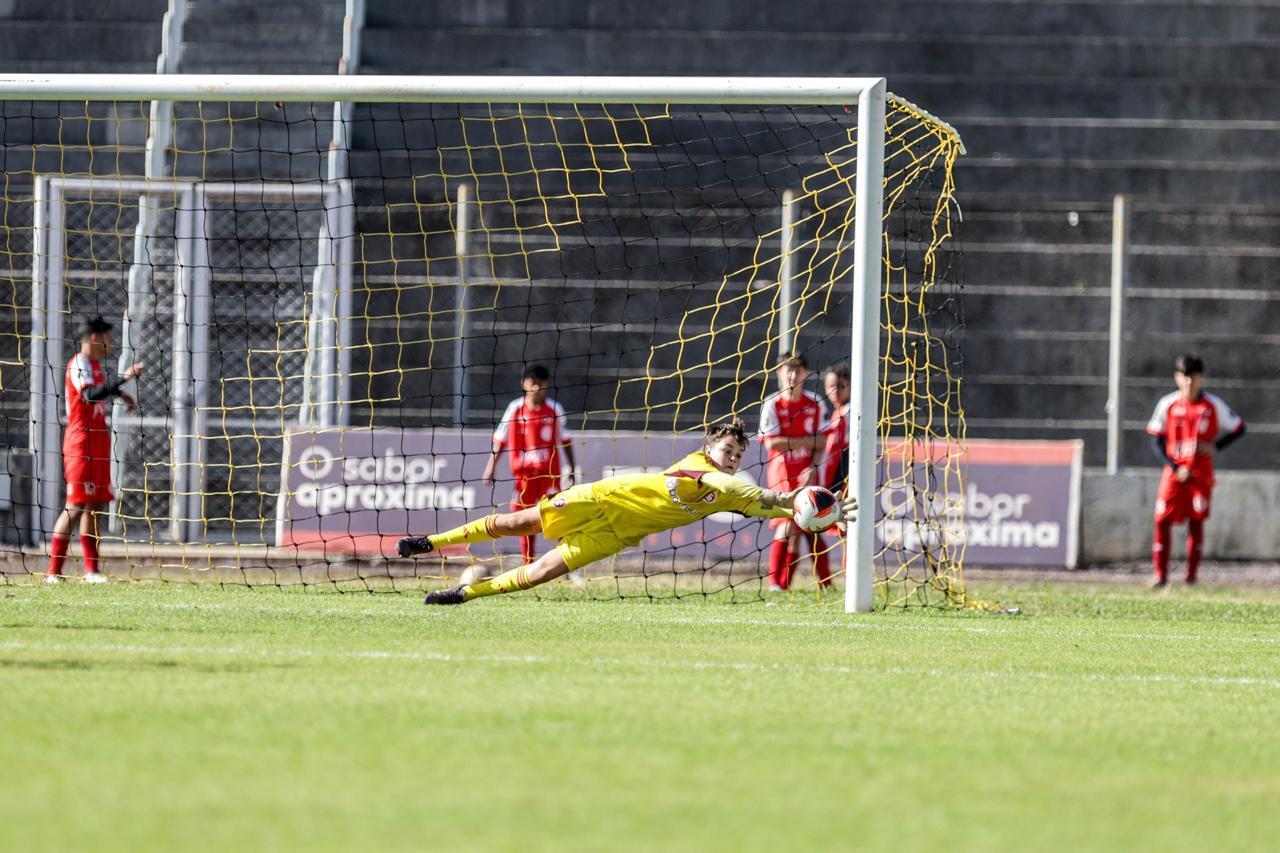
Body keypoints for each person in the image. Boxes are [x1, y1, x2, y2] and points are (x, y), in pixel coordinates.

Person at [397, 420, 858, 605]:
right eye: (728, 448)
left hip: (615, 534)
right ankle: (430, 544)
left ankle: (464, 596)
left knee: (542, 572)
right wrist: (792, 497)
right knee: (520, 521)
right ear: (709, 447)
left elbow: (761, 503)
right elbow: (737, 487)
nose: (734, 456)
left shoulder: (734, 487)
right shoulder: (702, 469)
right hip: (602, 498)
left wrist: (814, 510)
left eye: (739, 452)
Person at [45, 316, 143, 584]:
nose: (110, 345)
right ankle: (53, 573)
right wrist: (123, 381)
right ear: (94, 338)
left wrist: (120, 395)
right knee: (75, 505)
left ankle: (91, 571)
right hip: (80, 443)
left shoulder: (95, 366)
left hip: (97, 441)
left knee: (95, 505)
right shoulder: (79, 363)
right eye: (108, 340)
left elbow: (99, 391)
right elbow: (89, 396)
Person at [1145, 354, 1245, 587]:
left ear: (1201, 377)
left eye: (1193, 377)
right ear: (1177, 377)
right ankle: (1160, 575)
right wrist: (1174, 467)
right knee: (1162, 519)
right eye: (1184, 377)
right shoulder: (1167, 404)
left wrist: (1216, 446)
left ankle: (1191, 577)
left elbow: (1239, 427)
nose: (1189, 382)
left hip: (1200, 472)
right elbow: (1156, 440)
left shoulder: (1212, 405)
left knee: (1196, 520)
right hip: (1174, 471)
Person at [481, 364, 577, 564]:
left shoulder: (554, 409)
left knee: (557, 517)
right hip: (524, 478)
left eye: (540, 385)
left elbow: (565, 440)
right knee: (523, 521)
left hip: (549, 476)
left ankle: (570, 562)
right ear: (524, 384)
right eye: (533, 384)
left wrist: (572, 468)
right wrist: (491, 467)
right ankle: (528, 563)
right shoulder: (515, 409)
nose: (536, 389)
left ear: (546, 385)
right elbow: (501, 439)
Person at [758, 354, 831, 590]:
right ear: (778, 373)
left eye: (797, 370)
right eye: (787, 370)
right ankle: (774, 585)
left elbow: (823, 442)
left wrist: (814, 466)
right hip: (781, 475)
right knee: (788, 526)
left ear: (805, 374)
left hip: (808, 474)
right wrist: (807, 442)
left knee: (813, 527)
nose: (792, 375)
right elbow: (772, 443)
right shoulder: (772, 403)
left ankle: (824, 584)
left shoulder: (816, 402)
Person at [820, 361, 850, 494]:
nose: (835, 391)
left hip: (843, 479)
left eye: (840, 386)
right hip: (832, 478)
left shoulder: (851, 411)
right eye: (830, 386)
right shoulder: (836, 412)